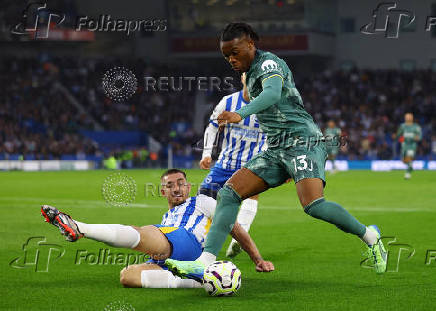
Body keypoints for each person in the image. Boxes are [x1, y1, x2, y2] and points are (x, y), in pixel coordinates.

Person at [165, 22, 387, 282]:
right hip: (276, 147)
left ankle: (370, 236)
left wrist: (240, 113)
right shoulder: (250, 72)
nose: (231, 59)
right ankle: (204, 263)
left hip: (302, 141)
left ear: (251, 44)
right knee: (229, 192)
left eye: (235, 52)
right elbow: (256, 97)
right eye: (227, 56)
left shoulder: (270, 64)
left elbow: (271, 94)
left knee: (314, 205)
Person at [41, 168, 274, 289]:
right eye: (170, 186)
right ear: (162, 192)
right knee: (128, 276)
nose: (177, 189)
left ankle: (79, 227)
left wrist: (258, 259)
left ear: (188, 186)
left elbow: (234, 228)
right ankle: (196, 280)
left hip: (190, 243)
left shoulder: (202, 201)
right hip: (170, 252)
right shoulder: (167, 215)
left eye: (181, 184)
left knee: (142, 232)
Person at [199, 72, 266, 258]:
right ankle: (202, 237)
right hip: (225, 162)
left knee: (252, 195)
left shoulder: (267, 106)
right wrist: (206, 154)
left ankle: (239, 238)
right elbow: (213, 126)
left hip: (251, 164)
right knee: (203, 198)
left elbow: (275, 136)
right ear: (243, 78)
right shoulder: (227, 102)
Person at [393, 113, 422, 179]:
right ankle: (410, 165)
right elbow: (399, 136)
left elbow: (419, 137)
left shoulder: (416, 127)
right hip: (404, 145)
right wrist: (401, 139)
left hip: (412, 145)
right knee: (404, 160)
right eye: (406, 117)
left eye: (409, 117)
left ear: (412, 118)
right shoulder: (402, 126)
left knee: (409, 157)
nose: (407, 118)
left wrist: (416, 138)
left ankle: (407, 173)